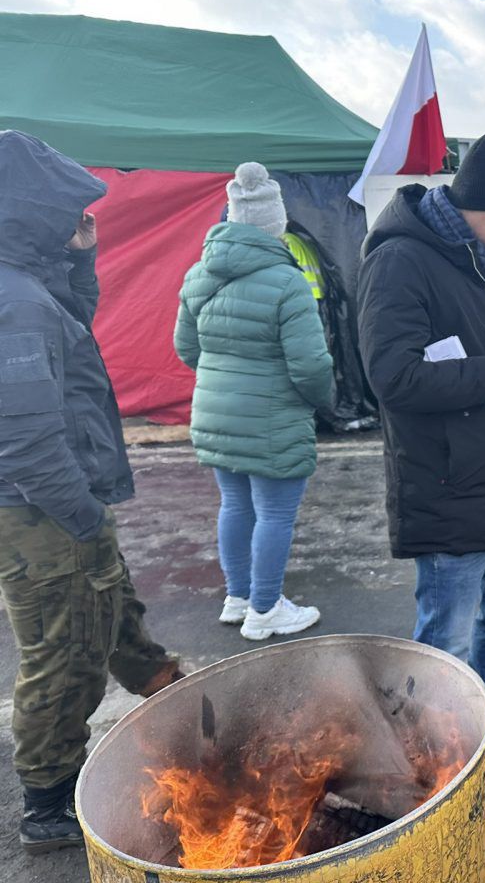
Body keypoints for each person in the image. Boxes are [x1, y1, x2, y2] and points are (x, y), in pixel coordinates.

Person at [0, 130, 182, 853]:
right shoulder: (14, 302)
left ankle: (166, 686)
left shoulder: (27, 285)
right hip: (39, 508)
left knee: (107, 600)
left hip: (57, 499)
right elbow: (23, 438)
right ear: (30, 212)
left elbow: (71, 324)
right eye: (69, 209)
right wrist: (80, 512)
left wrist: (81, 256)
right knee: (64, 648)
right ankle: (47, 801)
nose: (81, 215)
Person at [356, 132, 485, 782]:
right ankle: (435, 769)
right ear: (474, 203)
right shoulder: (401, 261)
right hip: (447, 482)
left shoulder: (478, 256)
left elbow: (479, 360)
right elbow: (395, 380)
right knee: (447, 633)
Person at [175, 162, 335, 641]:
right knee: (275, 514)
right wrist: (321, 401)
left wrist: (225, 378)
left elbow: (187, 349)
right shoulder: (287, 282)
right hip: (273, 418)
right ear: (275, 224)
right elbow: (310, 365)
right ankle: (266, 610)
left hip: (215, 413)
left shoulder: (198, 273)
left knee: (235, 505)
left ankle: (238, 597)